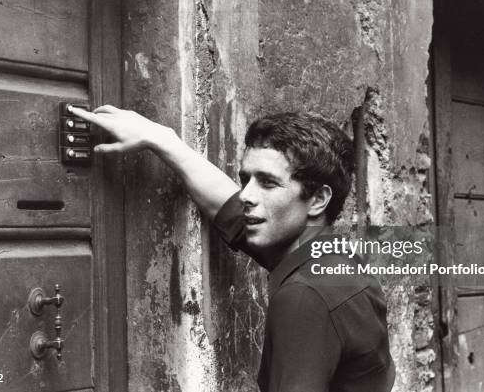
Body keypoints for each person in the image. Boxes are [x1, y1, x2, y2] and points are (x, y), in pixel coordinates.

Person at [70, 105, 395, 392]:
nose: (246, 195)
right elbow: (228, 205)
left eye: (267, 182)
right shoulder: (333, 261)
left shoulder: (304, 296)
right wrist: (163, 139)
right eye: (245, 179)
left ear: (318, 200)